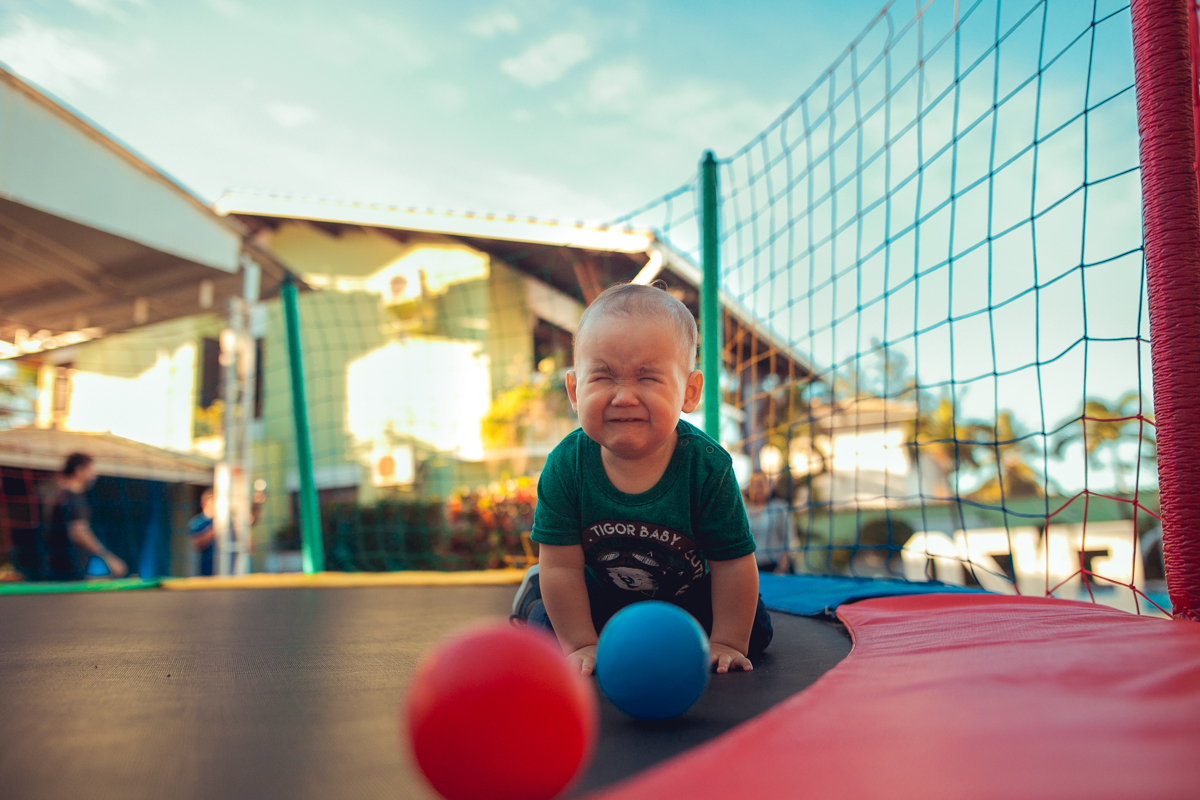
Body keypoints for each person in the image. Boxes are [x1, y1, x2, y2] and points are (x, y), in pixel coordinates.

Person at [512, 283, 772, 676]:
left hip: (687, 597)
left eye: (647, 378)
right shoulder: (567, 466)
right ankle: (533, 594)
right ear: (574, 391)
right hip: (598, 594)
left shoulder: (706, 466)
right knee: (548, 630)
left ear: (689, 391)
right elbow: (563, 568)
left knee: (756, 629)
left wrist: (726, 642)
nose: (624, 397)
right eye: (603, 377)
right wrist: (582, 644)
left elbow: (732, 563)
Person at [45, 453, 127, 580]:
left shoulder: (62, 494)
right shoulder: (72, 497)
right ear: (79, 470)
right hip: (69, 569)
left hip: (62, 566)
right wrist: (109, 557)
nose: (94, 475)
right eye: (91, 470)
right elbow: (78, 532)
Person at [746, 472, 793, 573]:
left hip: (775, 565)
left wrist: (781, 567)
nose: (758, 488)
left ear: (769, 487)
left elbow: (789, 540)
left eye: (761, 484)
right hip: (752, 568)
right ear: (749, 488)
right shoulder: (744, 511)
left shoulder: (780, 507)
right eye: (754, 485)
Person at [188, 489, 217, 576]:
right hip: (203, 570)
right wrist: (213, 531)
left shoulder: (224, 522)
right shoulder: (197, 522)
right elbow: (197, 544)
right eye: (213, 502)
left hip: (223, 570)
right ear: (204, 503)